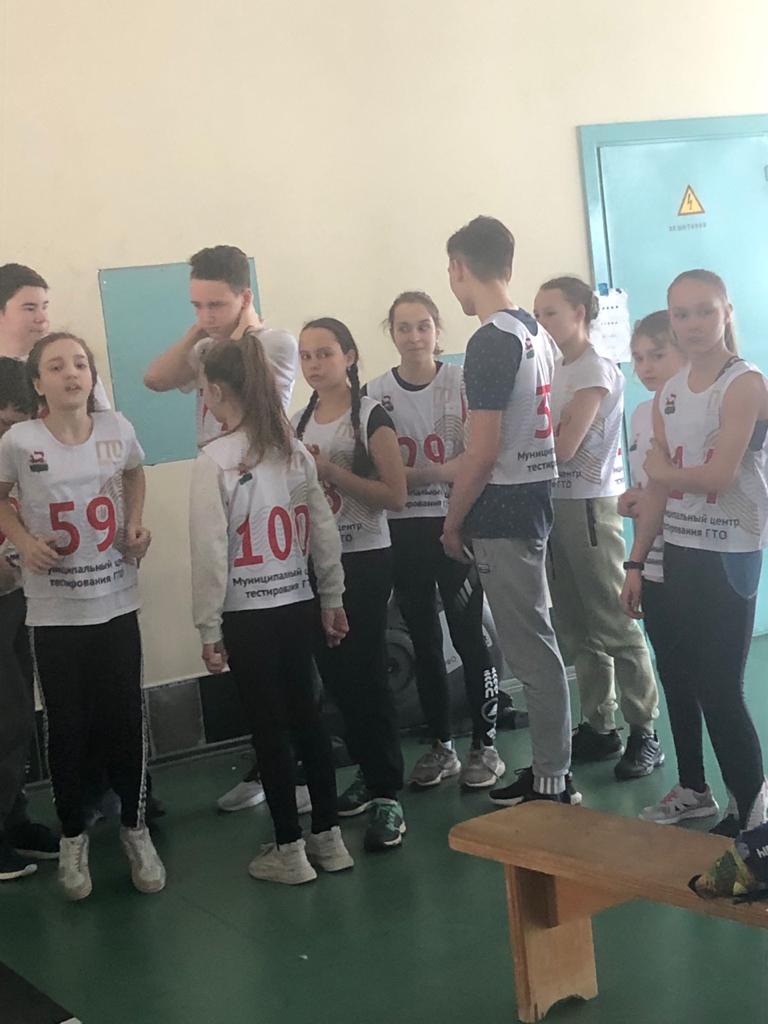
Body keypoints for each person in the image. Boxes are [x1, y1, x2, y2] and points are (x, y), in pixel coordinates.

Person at [0, 333, 165, 900]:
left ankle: (135, 829)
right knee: (67, 726)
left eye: (79, 363)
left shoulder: (117, 428)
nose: (71, 373)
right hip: (55, 612)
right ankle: (73, 835)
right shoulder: (20, 441)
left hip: (115, 601)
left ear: (92, 375)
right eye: (56, 366)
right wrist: (24, 541)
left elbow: (135, 474)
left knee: (126, 718)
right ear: (37, 382)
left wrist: (134, 524)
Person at [190, 330, 354, 884]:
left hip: (248, 613)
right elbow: (323, 530)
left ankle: (289, 848)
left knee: (270, 729)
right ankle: (329, 838)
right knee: (309, 718)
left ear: (216, 392)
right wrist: (331, 595)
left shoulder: (214, 460)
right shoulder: (291, 448)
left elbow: (211, 554)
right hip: (297, 604)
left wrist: (208, 627)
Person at [144, 245, 302, 814]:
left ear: (245, 296)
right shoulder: (209, 345)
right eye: (197, 305)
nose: (205, 315)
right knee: (242, 639)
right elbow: (154, 378)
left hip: (263, 497)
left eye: (216, 304)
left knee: (279, 647)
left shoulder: (270, 343)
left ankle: (296, 770)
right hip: (224, 491)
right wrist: (200, 332)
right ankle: (268, 763)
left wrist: (218, 337)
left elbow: (259, 405)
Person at [622, 269, 768, 836]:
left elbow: (718, 476)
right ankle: (724, 803)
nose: (694, 324)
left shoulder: (744, 384)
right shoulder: (669, 394)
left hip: (731, 552)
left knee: (722, 689)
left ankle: (755, 819)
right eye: (681, 314)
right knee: (695, 682)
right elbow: (658, 491)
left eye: (705, 310)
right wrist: (637, 561)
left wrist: (664, 472)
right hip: (681, 552)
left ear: (726, 312)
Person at [441, 215, 577, 807]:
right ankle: (553, 768)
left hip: (505, 508)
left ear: (458, 268)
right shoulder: (534, 331)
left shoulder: (490, 340)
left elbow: (484, 450)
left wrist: (452, 521)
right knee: (534, 642)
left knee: (532, 651)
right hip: (533, 498)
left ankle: (553, 778)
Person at [366, 291, 504, 790]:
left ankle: (485, 745)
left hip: (456, 522)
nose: (414, 336)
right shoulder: (375, 394)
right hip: (403, 531)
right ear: (392, 333)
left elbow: (477, 457)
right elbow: (379, 471)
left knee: (469, 637)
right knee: (423, 641)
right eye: (403, 327)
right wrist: (438, 471)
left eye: (423, 326)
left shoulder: (462, 382)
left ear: (437, 330)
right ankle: (442, 745)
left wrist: (416, 475)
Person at [534, 276, 663, 781]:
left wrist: (527, 440)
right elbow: (552, 435)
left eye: (551, 312)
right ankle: (599, 723)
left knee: (613, 619)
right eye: (537, 314)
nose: (542, 322)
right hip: (555, 504)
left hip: (590, 506)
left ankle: (644, 729)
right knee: (574, 624)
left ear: (580, 313)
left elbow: (564, 447)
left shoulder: (594, 368)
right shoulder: (554, 367)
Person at [293, 318, 407, 851]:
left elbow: (395, 495)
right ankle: (367, 769)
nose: (315, 364)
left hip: (364, 559)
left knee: (366, 673)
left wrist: (333, 474)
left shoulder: (372, 416)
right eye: (306, 355)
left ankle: (388, 794)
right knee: (336, 678)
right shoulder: (298, 422)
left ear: (350, 356)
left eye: (325, 353)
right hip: (317, 564)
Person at [619, 313, 710, 822]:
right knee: (673, 676)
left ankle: (746, 798)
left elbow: (705, 484)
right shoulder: (639, 415)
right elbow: (648, 487)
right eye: (639, 358)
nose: (647, 366)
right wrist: (630, 503)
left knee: (716, 685)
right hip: (651, 561)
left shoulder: (703, 410)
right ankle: (693, 785)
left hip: (697, 559)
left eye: (658, 354)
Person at [0, 358, 59, 880]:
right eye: (7, 422)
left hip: (17, 596)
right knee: (9, 715)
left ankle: (13, 819)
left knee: (20, 712)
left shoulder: (23, 448)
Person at [0, 263, 110, 409]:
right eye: (30, 309)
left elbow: (102, 417)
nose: (42, 318)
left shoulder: (71, 360)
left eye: (44, 307)